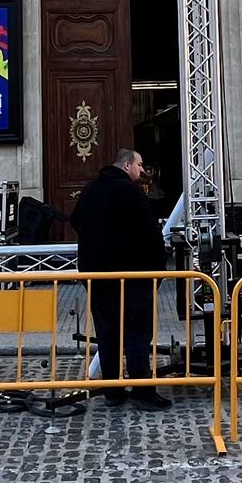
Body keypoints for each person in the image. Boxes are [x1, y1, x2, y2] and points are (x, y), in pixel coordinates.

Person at [70, 148, 171, 410]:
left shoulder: (91, 189)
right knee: (136, 334)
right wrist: (157, 267)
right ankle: (143, 392)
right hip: (132, 276)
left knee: (108, 334)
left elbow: (75, 220)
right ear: (126, 165)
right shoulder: (130, 191)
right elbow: (150, 232)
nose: (142, 170)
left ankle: (113, 390)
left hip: (97, 276)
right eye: (139, 165)